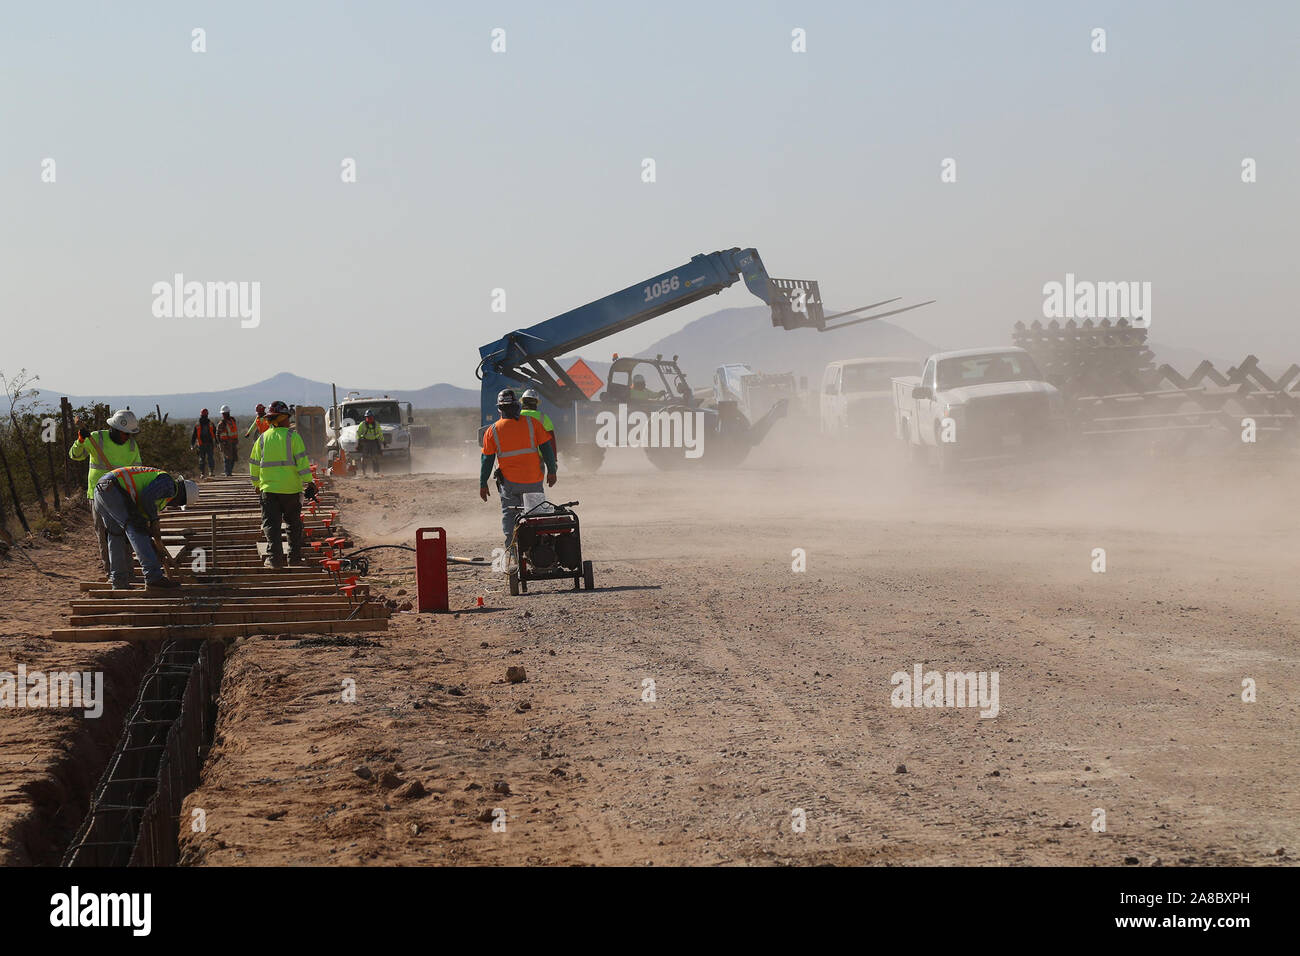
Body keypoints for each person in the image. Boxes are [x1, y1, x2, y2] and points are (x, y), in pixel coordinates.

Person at [93, 465, 198, 590]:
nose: (175, 506)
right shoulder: (168, 484)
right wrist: (154, 521)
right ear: (181, 497)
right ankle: (153, 577)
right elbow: (146, 499)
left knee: (116, 536)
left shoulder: (159, 487)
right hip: (114, 489)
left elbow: (142, 514)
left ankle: (119, 581)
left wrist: (152, 545)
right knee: (136, 529)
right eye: (179, 503)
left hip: (102, 490)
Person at [68, 409, 143, 579]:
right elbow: (75, 455)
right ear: (115, 429)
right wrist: (80, 440)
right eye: (125, 434)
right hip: (98, 496)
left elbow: (137, 472)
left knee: (125, 535)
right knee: (104, 535)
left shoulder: (132, 445)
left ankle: (128, 573)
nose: (127, 438)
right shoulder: (96, 438)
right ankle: (112, 573)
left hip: (122, 496)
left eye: (130, 434)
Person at [479, 388, 557, 550]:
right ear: (517, 405)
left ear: (499, 408)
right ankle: (540, 552)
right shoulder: (533, 423)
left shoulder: (492, 431)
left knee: (510, 517)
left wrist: (483, 483)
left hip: (510, 484)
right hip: (533, 481)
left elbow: (487, 460)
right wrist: (552, 471)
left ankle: (512, 553)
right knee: (536, 517)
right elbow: (547, 449)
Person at [250, 400, 318, 568]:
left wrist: (256, 484)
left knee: (271, 526)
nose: (289, 420)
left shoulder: (262, 439)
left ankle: (274, 560)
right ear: (281, 418)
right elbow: (302, 463)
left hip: (269, 491)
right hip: (291, 490)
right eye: (287, 417)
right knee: (293, 526)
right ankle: (294, 559)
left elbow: (254, 464)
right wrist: (309, 482)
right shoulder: (293, 437)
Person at [520, 389, 559, 456]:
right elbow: (551, 441)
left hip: (519, 457)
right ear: (536, 403)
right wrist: (554, 458)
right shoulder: (543, 417)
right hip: (538, 458)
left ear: (523, 402)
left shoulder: (516, 416)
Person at [356, 409, 384, 476]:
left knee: (375, 457)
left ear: (373, 417)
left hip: (374, 442)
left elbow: (380, 434)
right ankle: (364, 472)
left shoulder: (376, 424)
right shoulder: (362, 424)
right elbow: (358, 433)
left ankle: (376, 472)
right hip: (365, 442)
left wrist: (383, 441)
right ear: (365, 417)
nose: (369, 418)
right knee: (364, 458)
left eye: (370, 417)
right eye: (367, 417)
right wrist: (359, 441)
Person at [191, 408, 218, 478]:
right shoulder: (198, 425)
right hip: (201, 444)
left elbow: (215, 434)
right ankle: (203, 473)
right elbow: (194, 435)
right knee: (203, 459)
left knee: (209, 459)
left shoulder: (210, 424)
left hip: (208, 444)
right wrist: (192, 444)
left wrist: (217, 443)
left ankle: (210, 472)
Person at [216, 404, 240, 476]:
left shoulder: (232, 420)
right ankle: (227, 473)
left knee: (233, 458)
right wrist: (219, 443)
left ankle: (229, 472)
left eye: (226, 413)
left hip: (233, 442)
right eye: (224, 414)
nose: (225, 415)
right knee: (227, 458)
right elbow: (217, 434)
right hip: (225, 443)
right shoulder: (221, 423)